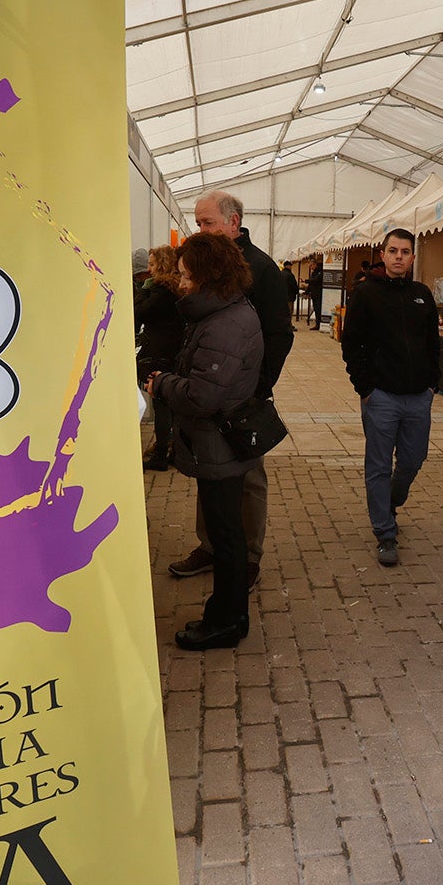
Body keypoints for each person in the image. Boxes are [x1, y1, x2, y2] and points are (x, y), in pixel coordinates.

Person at [166, 191, 292, 589]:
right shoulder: (208, 262)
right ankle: (212, 545)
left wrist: (257, 386)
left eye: (207, 223)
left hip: (241, 397)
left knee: (249, 476)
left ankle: (248, 555)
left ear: (233, 222)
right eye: (198, 223)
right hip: (209, 393)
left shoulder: (262, 269)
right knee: (210, 470)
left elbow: (279, 335)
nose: (199, 229)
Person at [146, 233, 263, 650]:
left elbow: (202, 395)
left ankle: (227, 622)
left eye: (185, 275)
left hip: (219, 444)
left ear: (207, 274)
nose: (180, 282)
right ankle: (228, 615)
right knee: (226, 531)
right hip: (218, 442)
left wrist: (161, 385)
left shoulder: (226, 323)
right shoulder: (222, 313)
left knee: (227, 535)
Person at [340, 228, 440, 567]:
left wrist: (432, 385)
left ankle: (392, 501)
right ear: (382, 254)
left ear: (413, 257)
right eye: (393, 250)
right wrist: (364, 388)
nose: (398, 256)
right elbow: (351, 343)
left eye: (405, 251)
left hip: (418, 397)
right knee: (379, 466)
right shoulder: (365, 294)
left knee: (413, 460)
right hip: (381, 396)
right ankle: (385, 533)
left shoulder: (422, 294)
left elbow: (432, 344)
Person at [135, 246, 183, 471]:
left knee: (161, 403)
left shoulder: (161, 290)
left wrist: (140, 291)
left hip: (159, 352)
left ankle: (161, 454)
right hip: (172, 352)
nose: (148, 269)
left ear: (162, 265)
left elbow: (141, 312)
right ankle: (173, 451)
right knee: (170, 404)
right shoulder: (175, 288)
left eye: (152, 264)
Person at [306, 261, 324, 329]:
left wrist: (307, 280)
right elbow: (311, 284)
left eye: (311, 265)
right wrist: (307, 292)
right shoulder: (313, 273)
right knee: (316, 309)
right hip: (314, 294)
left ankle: (319, 324)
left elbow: (315, 280)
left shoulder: (320, 272)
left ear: (315, 264)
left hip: (318, 294)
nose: (310, 267)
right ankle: (317, 324)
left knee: (318, 309)